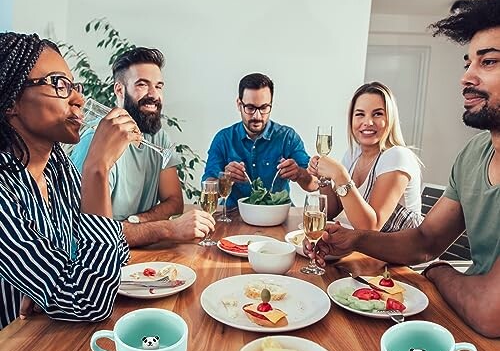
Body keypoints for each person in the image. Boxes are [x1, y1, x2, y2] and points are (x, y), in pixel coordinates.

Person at [306, 0, 500, 338]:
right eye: (467, 63)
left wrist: (438, 270)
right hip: (464, 320)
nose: (466, 77)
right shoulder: (473, 154)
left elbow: (489, 312)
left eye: (488, 62)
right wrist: (353, 240)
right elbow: (425, 241)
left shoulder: (396, 156)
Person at [0, 32, 138, 329]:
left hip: (45, 337)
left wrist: (51, 285)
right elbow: (90, 301)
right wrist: (98, 167)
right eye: (59, 85)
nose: (79, 99)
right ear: (11, 102)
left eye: (76, 86)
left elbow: (116, 257)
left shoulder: (57, 170)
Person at [71, 47, 214, 245]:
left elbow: (174, 202)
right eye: (142, 85)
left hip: (137, 254)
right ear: (119, 89)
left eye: (159, 86)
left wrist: (138, 222)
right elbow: (87, 232)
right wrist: (168, 228)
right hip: (99, 265)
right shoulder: (96, 142)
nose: (154, 95)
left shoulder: (159, 138)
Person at [307, 82, 423, 231]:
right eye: (360, 114)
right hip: (370, 250)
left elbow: (370, 228)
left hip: (403, 251)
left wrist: (340, 174)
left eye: (377, 114)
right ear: (351, 120)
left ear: (390, 119)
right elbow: (330, 212)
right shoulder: (353, 155)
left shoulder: (397, 156)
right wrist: (324, 179)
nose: (367, 122)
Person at [202, 73, 313, 208]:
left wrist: (299, 174)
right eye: (250, 108)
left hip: (278, 216)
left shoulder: (287, 137)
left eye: (264, 108)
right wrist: (224, 179)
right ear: (239, 104)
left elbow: (313, 184)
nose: (257, 115)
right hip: (235, 215)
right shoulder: (223, 139)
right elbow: (207, 188)